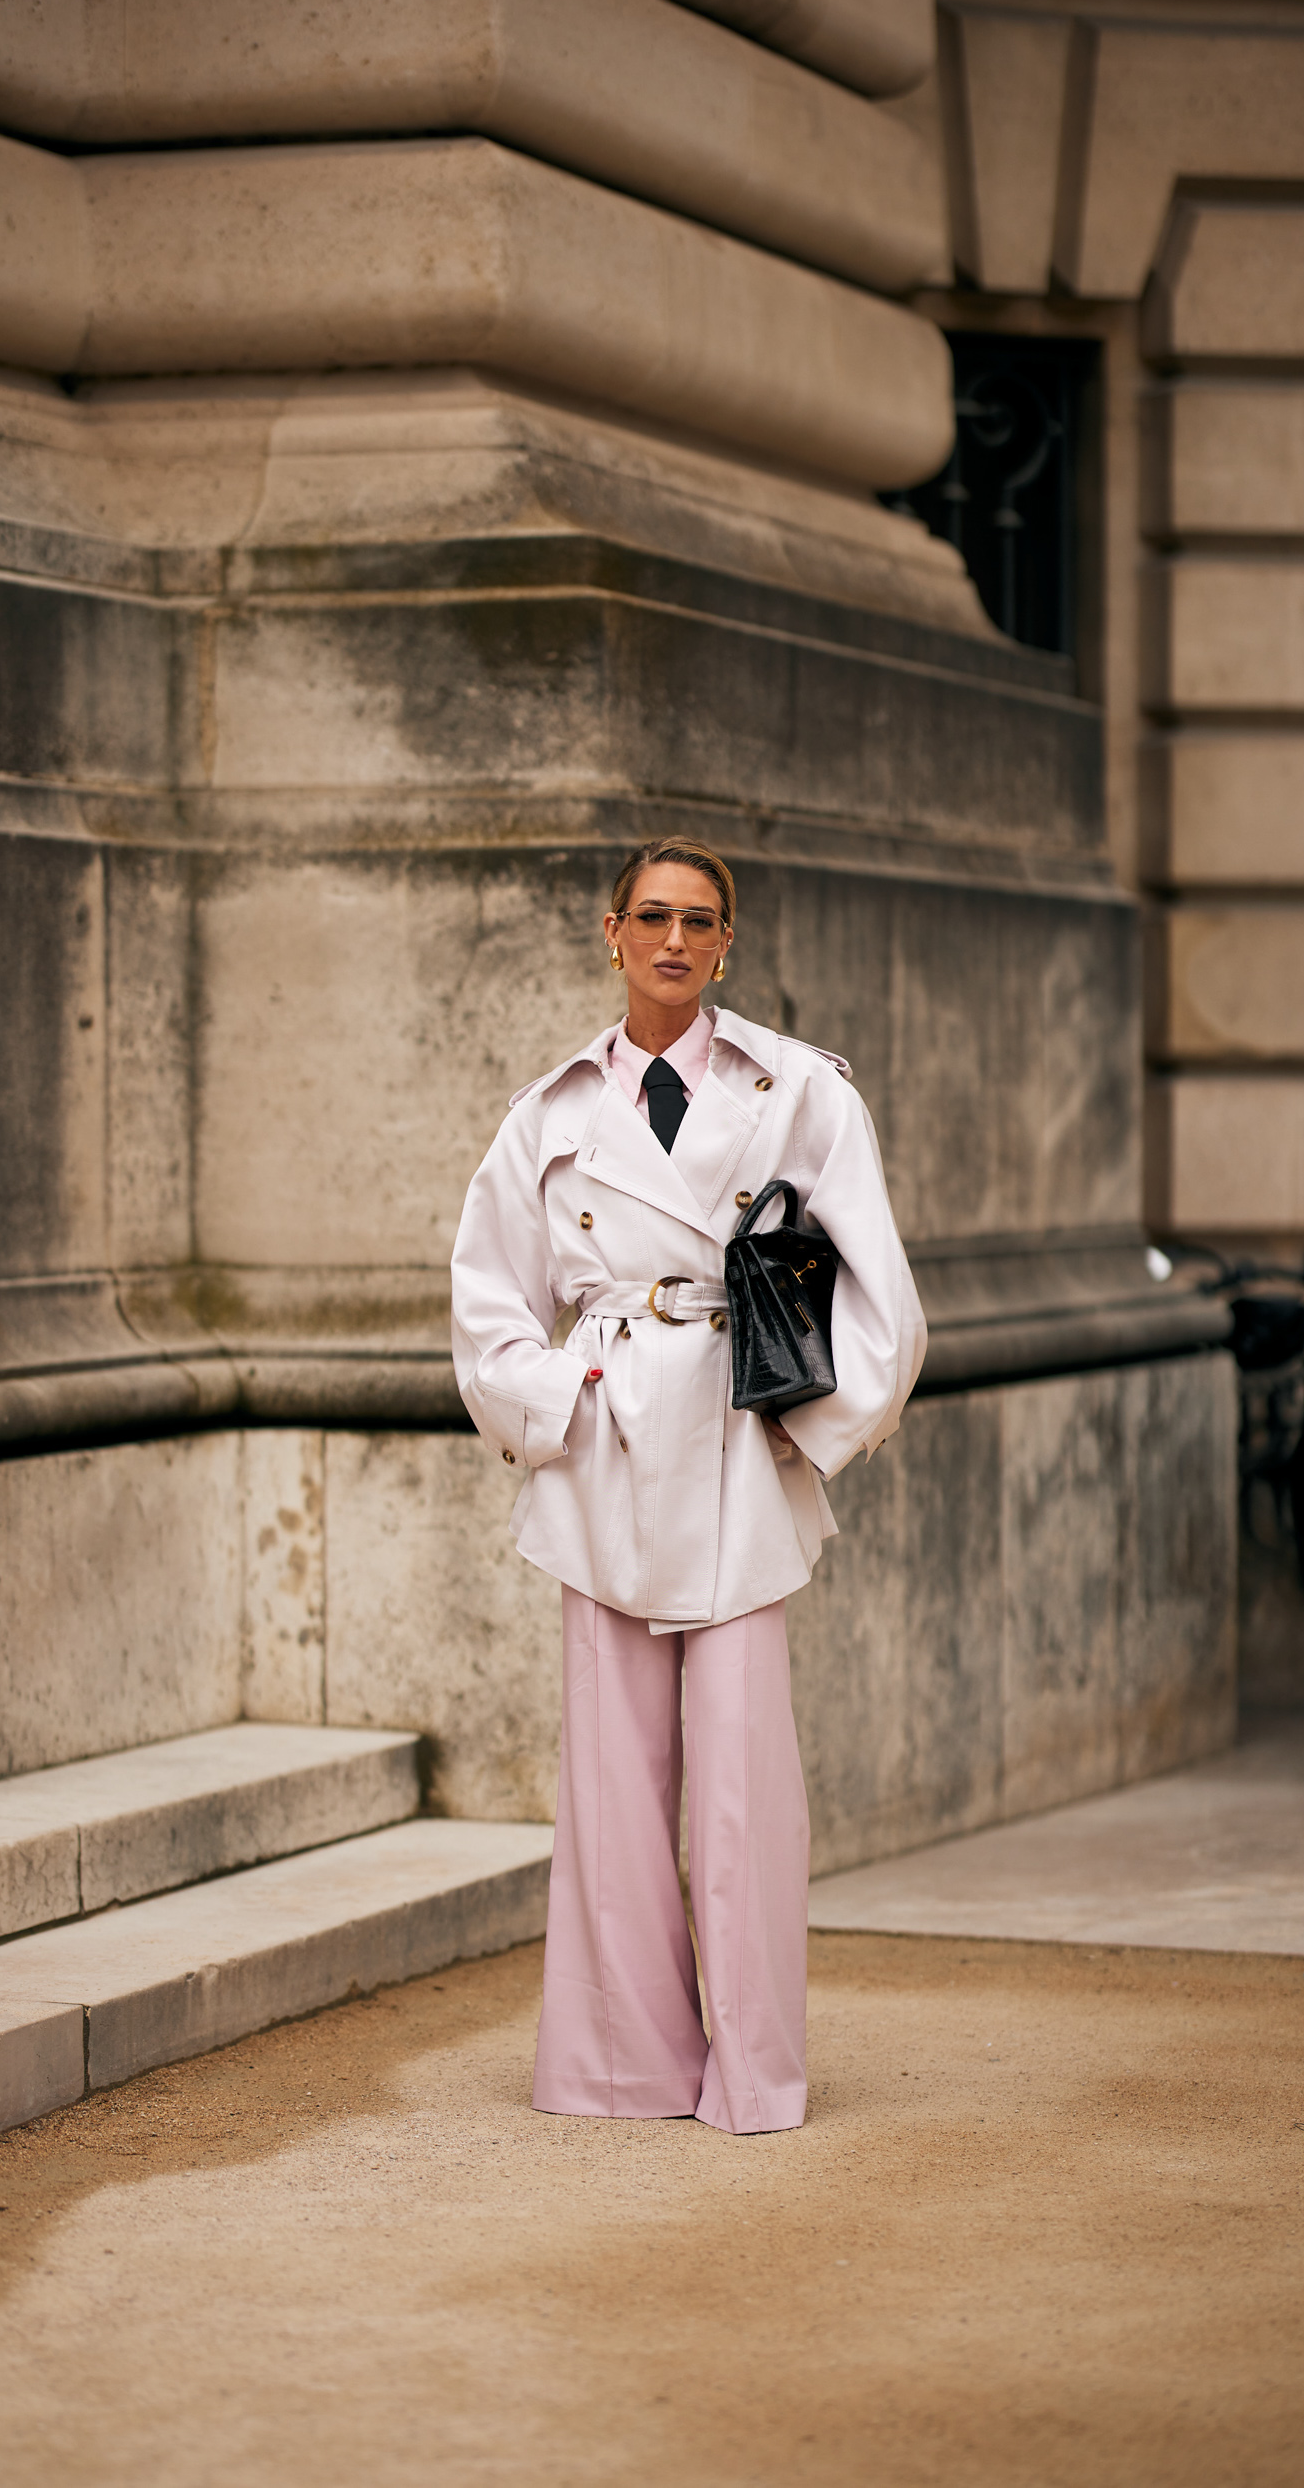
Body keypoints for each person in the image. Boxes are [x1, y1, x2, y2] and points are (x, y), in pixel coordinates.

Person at [450, 835, 925, 2134]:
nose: (674, 940)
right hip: (605, 1455)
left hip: (733, 1453)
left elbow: (882, 1294)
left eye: (699, 921)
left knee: (742, 1794)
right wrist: (562, 1402)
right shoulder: (546, 1117)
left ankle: (756, 2073)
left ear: (730, 944)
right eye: (651, 917)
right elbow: (487, 1301)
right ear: (610, 933)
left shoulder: (798, 1093)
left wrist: (806, 1433)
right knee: (609, 1788)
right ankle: (624, 2066)